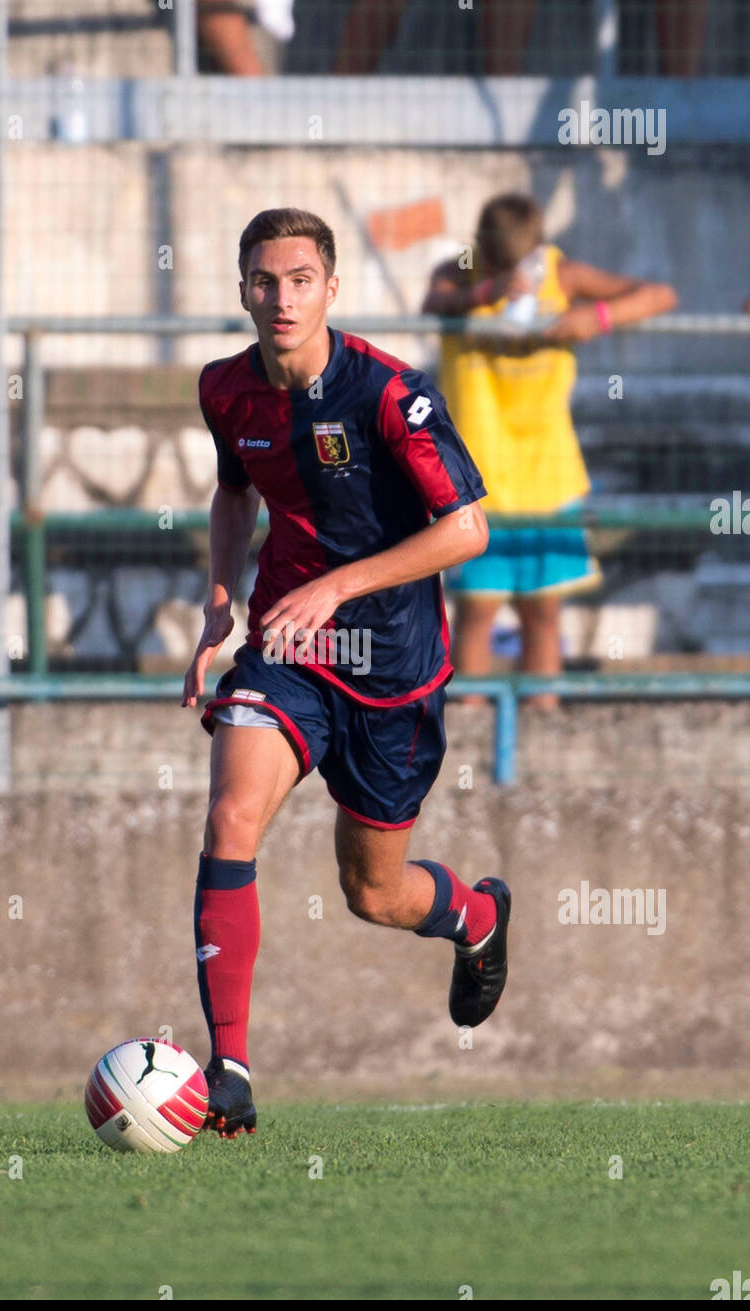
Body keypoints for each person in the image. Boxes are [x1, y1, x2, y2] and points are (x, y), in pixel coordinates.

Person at [182, 207, 511, 1137]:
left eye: (298, 280)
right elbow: (234, 491)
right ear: (240, 287)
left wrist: (339, 587)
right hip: (286, 649)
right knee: (229, 817)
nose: (279, 298)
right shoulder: (222, 390)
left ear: (331, 287)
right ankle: (232, 1071)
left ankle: (474, 918)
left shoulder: (388, 394)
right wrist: (216, 600)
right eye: (261, 280)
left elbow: (467, 528)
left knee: (371, 892)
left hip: (391, 667)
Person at [423, 193, 677, 708]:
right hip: (477, 484)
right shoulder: (462, 274)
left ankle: (545, 721)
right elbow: (436, 302)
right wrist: (492, 291)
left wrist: (597, 317)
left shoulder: (562, 276)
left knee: (544, 612)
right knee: (478, 611)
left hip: (549, 475)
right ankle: (469, 733)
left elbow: (660, 295)